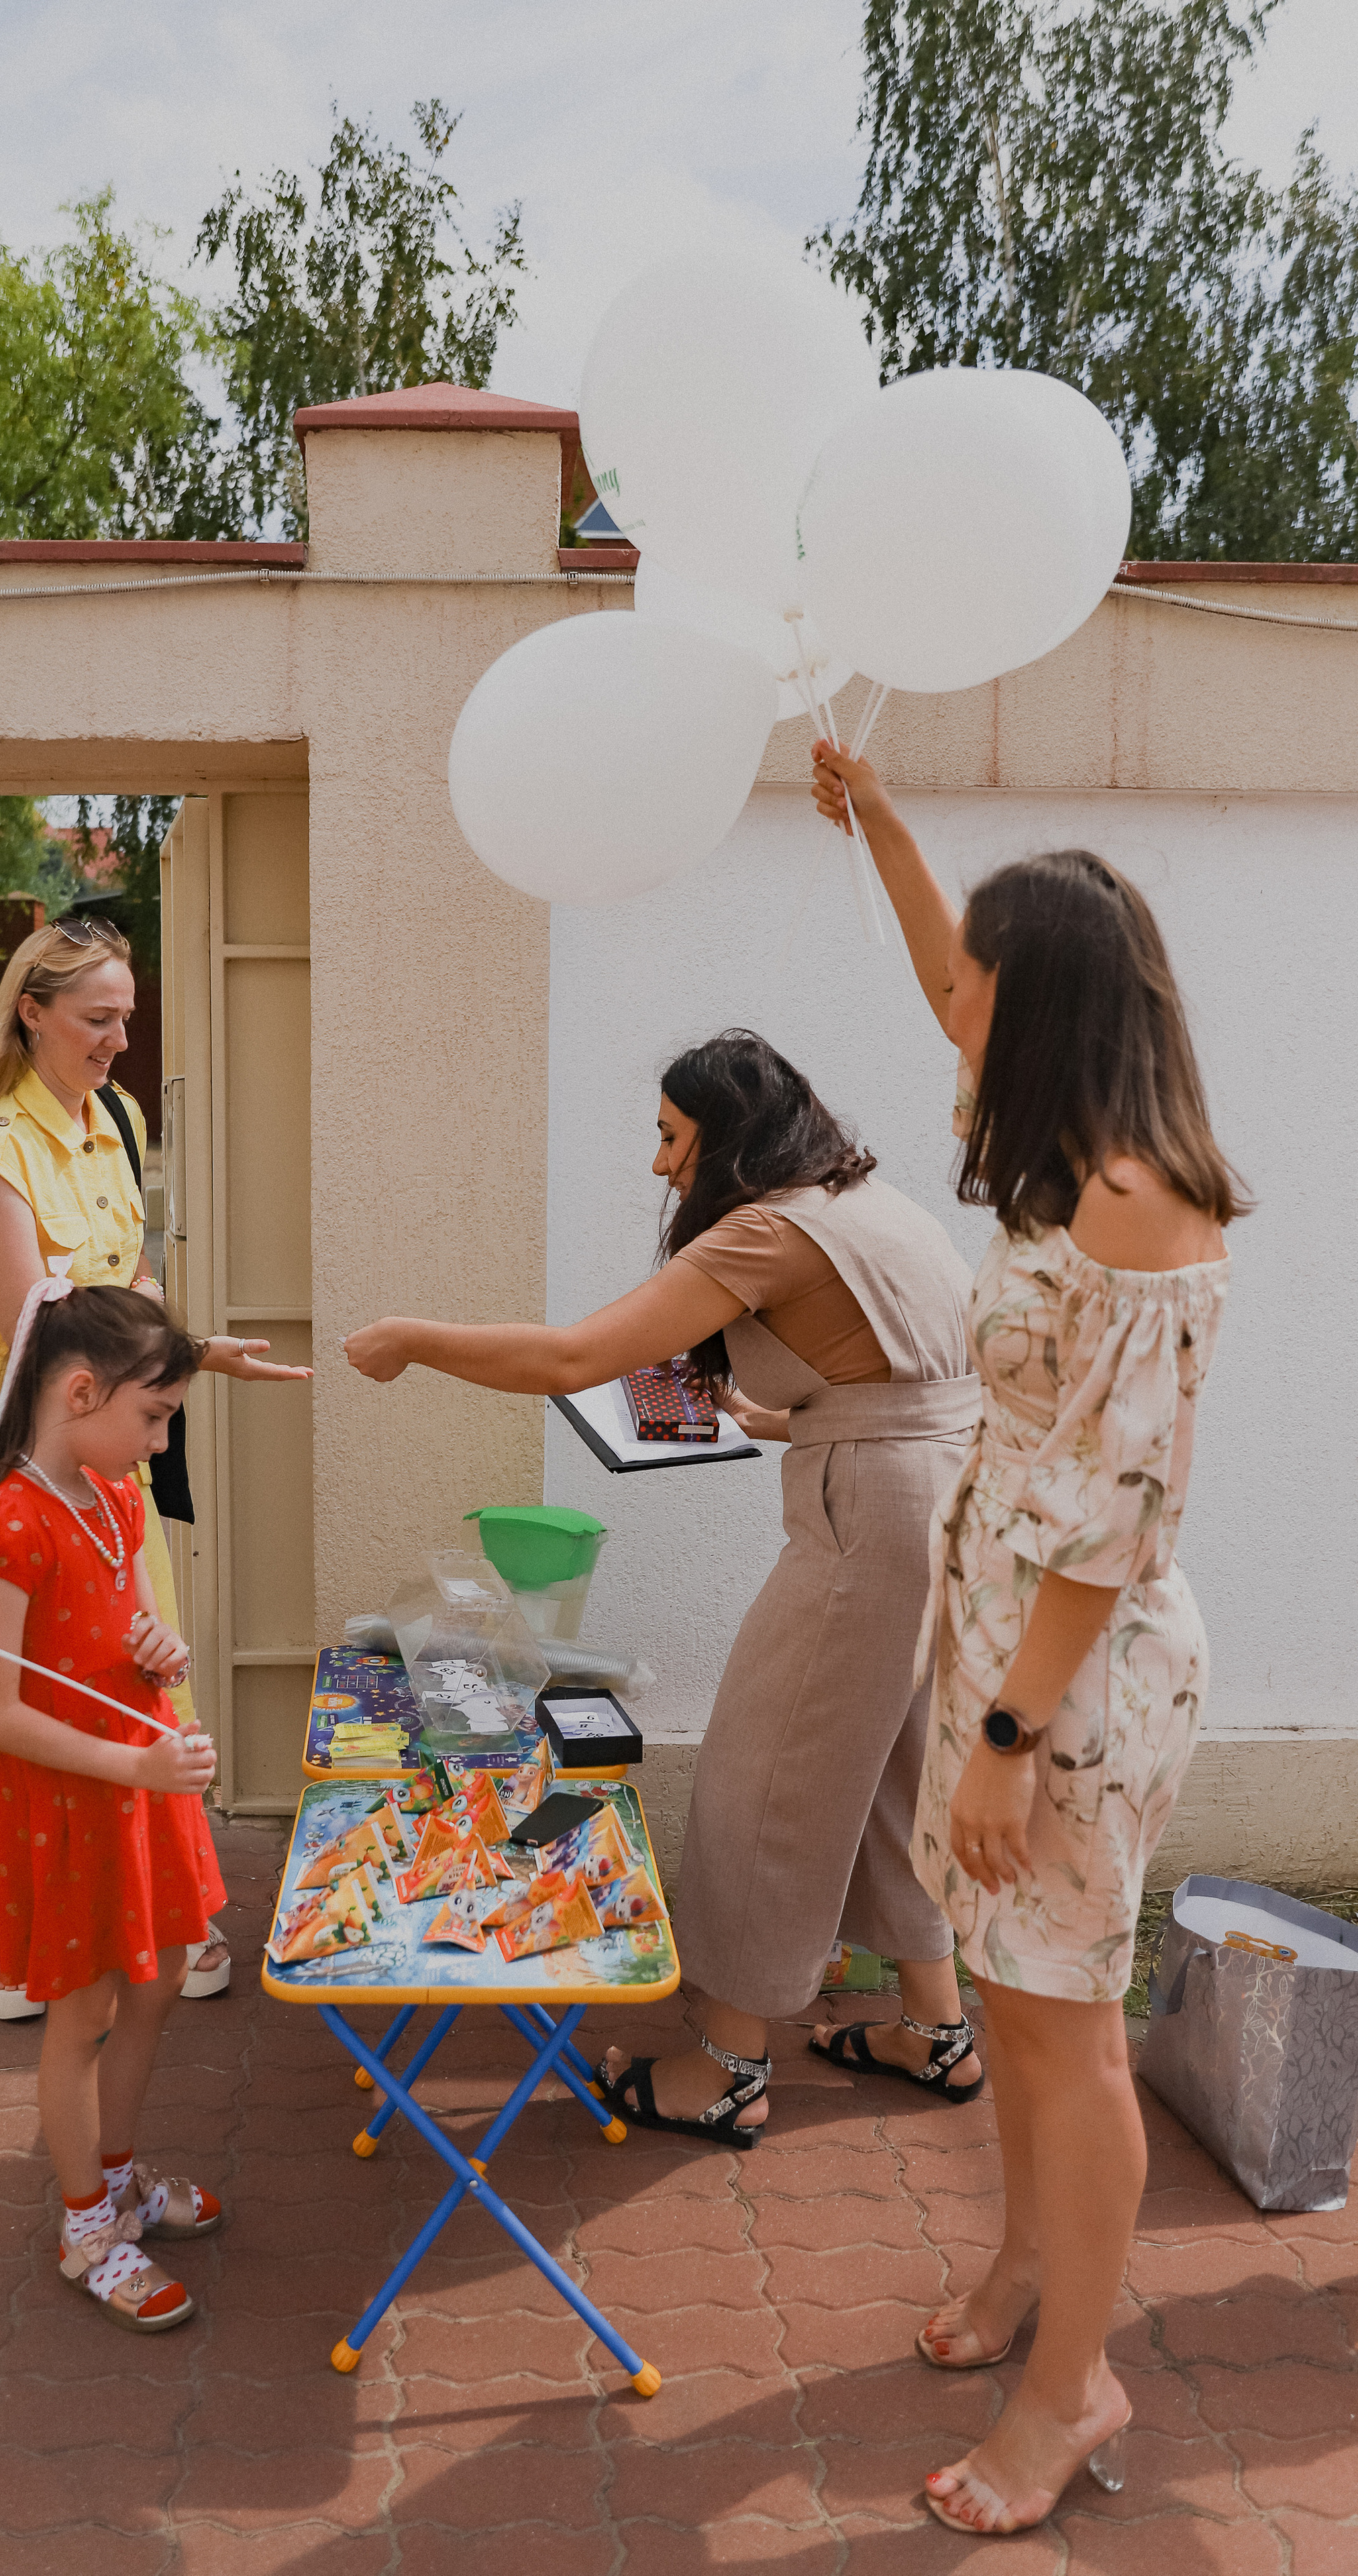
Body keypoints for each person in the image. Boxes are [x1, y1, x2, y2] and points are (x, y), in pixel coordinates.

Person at [811, 739, 1241, 2536]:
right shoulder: (1066, 1150)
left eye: (978, 982)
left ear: (1040, 1002)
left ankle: (1074, 2387)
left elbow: (1115, 1518)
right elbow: (937, 971)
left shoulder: (1143, 1199)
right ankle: (1018, 2274)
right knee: (1014, 1997)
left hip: (1063, 1685)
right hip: (1001, 1652)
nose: (947, 1005)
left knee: (1063, 2036)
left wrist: (1006, 1741)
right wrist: (885, 825)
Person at [344, 1028, 984, 2142]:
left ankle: (727, 2066)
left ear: (726, 1135)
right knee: (895, 1768)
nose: (658, 1165)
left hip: (871, 1521)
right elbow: (902, 1389)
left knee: (768, 1771)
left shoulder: (768, 1230)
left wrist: (411, 1340)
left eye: (670, 1136)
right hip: (943, 1506)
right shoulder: (870, 1202)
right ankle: (933, 2032)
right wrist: (782, 1419)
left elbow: (565, 1360)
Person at [0, 916, 309, 2015]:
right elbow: (40, 1330)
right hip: (8, 1431)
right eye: (97, 1018)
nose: (119, 1039)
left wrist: (192, 1354)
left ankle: (155, 1899)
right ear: (30, 1013)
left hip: (101, 1422)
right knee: (12, 1679)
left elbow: (127, 1282)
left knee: (129, 1654)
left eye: (127, 1017)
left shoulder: (116, 1118)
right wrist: (173, 1360)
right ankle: (9, 1937)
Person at [0, 1281, 223, 2331]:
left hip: (136, 1784)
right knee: (86, 2014)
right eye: (153, 1417)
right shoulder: (4, 1526)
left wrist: (166, 1653)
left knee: (151, 1989)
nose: (159, 1444)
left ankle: (117, 2179)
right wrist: (137, 1770)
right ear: (79, 1391)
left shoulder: (113, 1498)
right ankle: (84, 2230)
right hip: (71, 1804)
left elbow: (143, 1635)